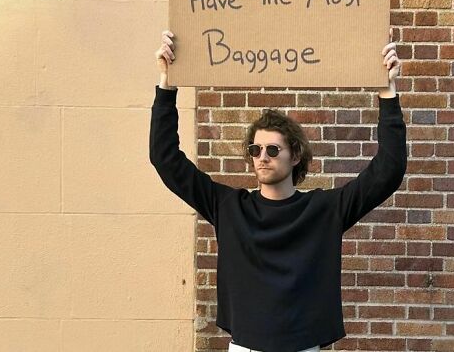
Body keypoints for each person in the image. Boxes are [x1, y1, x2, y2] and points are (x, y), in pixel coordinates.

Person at [150, 28, 406, 352]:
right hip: (245, 347)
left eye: (272, 150)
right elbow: (165, 158)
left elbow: (389, 170)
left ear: (295, 155)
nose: (262, 158)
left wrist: (388, 91)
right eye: (255, 151)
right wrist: (167, 83)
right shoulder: (228, 207)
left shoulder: (324, 210)